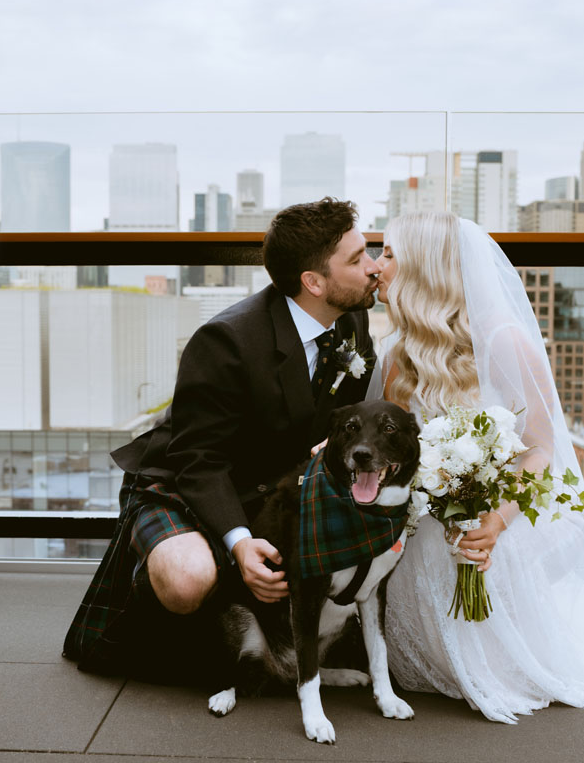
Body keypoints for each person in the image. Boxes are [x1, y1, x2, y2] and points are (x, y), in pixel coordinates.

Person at [63, 197, 379, 681]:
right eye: (358, 260)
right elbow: (197, 460)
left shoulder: (351, 319)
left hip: (271, 487)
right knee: (189, 580)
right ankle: (156, 610)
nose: (374, 268)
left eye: (369, 252)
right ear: (313, 282)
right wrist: (238, 544)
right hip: (184, 481)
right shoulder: (226, 341)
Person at [371, 211, 584, 724]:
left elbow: (540, 448)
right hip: (431, 524)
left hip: (505, 513)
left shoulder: (503, 340)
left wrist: (495, 521)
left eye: (388, 254)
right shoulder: (396, 356)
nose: (377, 266)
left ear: (424, 267)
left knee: (507, 665)